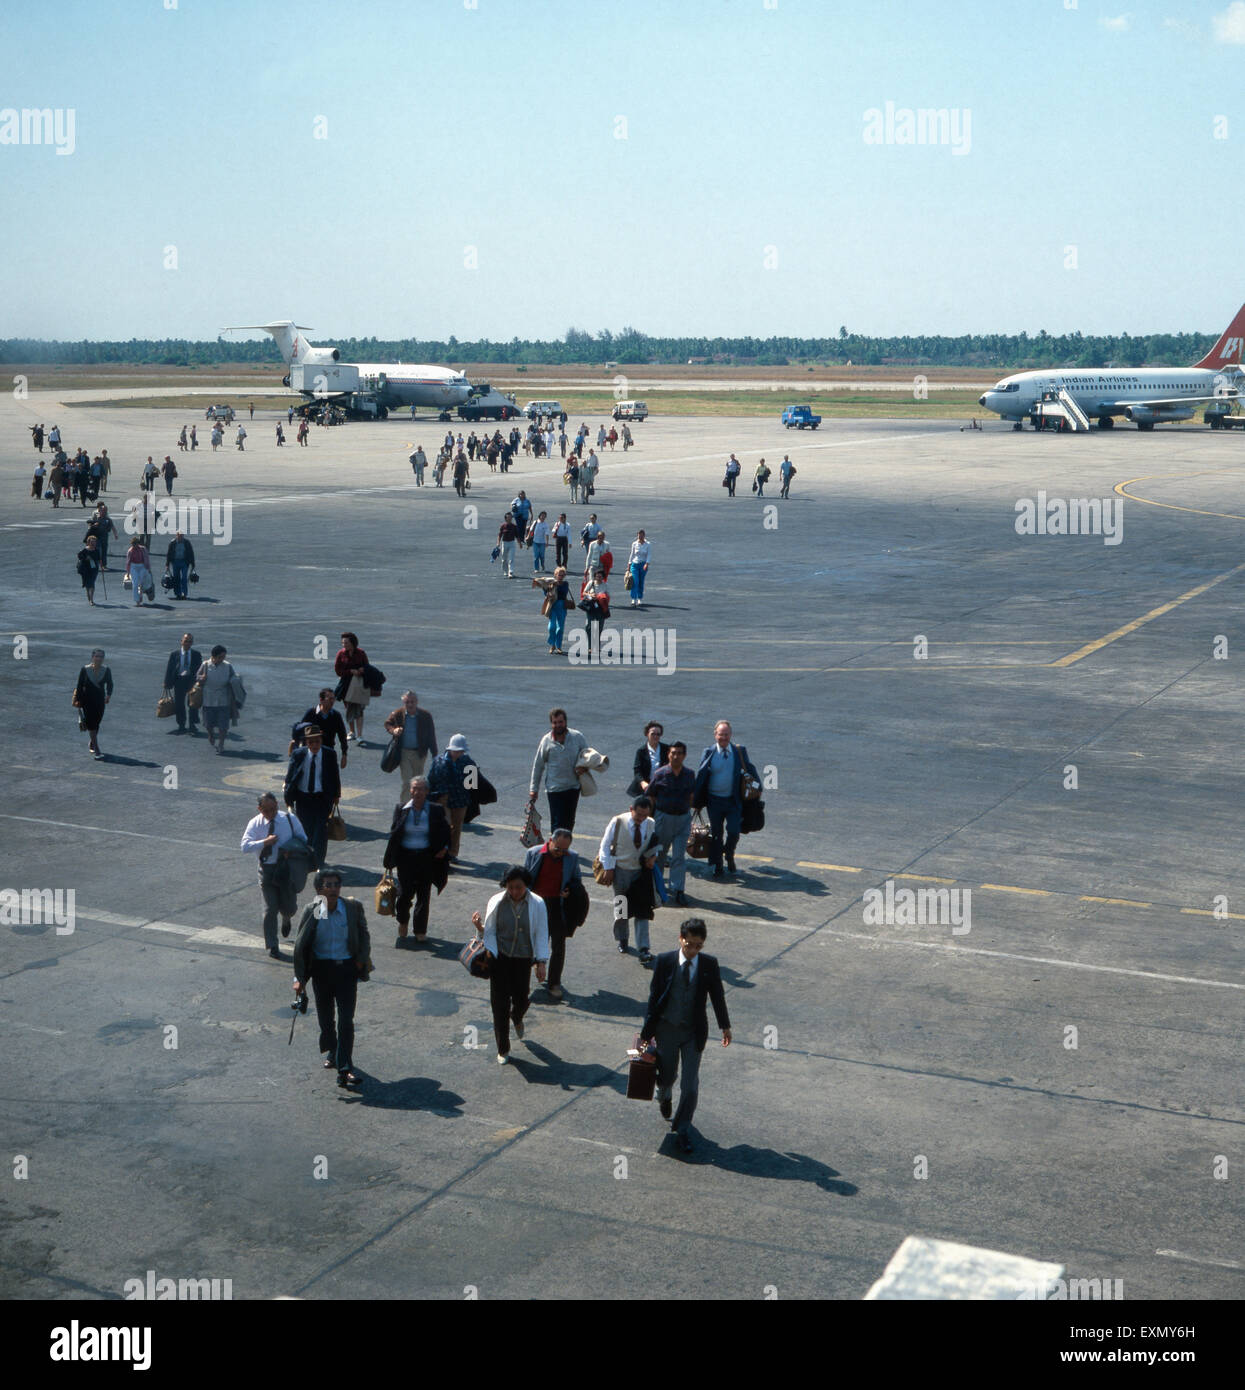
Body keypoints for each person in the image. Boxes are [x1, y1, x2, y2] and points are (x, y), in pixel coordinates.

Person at [640, 918, 732, 1153]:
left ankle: (682, 1129)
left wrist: (725, 1026)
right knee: (667, 1075)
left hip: (693, 1032)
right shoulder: (664, 961)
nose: (692, 950)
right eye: (688, 944)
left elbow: (717, 996)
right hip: (667, 1030)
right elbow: (654, 999)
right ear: (680, 938)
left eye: (698, 946)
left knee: (690, 1086)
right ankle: (665, 1093)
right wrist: (645, 1035)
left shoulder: (709, 965)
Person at [292, 868, 371, 1088]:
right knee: (327, 1021)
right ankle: (334, 1051)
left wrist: (360, 960)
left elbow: (364, 934)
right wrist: (299, 979)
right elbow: (301, 946)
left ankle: (345, 1068)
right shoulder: (315, 910)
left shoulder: (351, 908)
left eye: (336, 884)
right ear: (319, 889)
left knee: (346, 1021)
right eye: (328, 885)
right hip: (322, 971)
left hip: (346, 971)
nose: (334, 889)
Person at [471, 867, 550, 1064]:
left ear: (526, 886)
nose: (514, 892)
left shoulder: (538, 904)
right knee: (499, 1005)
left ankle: (517, 1016)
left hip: (523, 960)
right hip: (500, 959)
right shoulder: (496, 901)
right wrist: (480, 928)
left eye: (519, 887)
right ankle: (503, 1048)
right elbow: (489, 932)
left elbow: (541, 933)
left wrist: (541, 962)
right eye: (511, 887)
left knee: (522, 999)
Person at [383, 776, 451, 945]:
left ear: (427, 791)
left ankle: (420, 930)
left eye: (421, 789)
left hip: (427, 857)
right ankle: (403, 920)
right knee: (405, 893)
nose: (417, 792)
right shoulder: (401, 808)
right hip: (405, 857)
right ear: (410, 790)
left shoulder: (436, 809)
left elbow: (446, 832)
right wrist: (390, 858)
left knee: (423, 894)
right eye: (414, 788)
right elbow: (394, 833)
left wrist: (445, 848)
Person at [241, 793, 310, 957]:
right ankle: (272, 945)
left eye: (273, 809)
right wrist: (264, 842)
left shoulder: (289, 819)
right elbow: (244, 846)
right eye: (266, 810)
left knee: (289, 907)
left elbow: (303, 840)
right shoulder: (255, 823)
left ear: (277, 805)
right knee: (270, 909)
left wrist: (291, 851)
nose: (271, 813)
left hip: (286, 870)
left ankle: (287, 917)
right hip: (266, 870)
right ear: (260, 809)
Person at [524, 829, 588, 1000]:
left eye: (564, 850)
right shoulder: (534, 853)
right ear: (550, 841)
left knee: (559, 945)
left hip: (557, 906)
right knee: (533, 941)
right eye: (557, 849)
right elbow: (524, 879)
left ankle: (554, 982)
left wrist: (569, 891)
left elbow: (577, 880)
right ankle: (530, 974)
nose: (560, 853)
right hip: (537, 904)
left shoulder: (572, 857)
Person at [692, 720, 759, 879]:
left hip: (733, 801)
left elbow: (751, 770)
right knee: (716, 834)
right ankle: (718, 864)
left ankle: (729, 853)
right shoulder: (708, 752)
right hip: (714, 801)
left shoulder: (739, 751)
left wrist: (758, 789)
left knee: (734, 831)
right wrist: (697, 801)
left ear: (731, 735)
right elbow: (701, 777)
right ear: (715, 735)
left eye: (726, 734)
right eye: (721, 734)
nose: (723, 738)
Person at [597, 797, 658, 963]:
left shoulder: (651, 823)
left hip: (640, 872)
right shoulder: (617, 822)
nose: (641, 819)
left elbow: (654, 844)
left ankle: (644, 948)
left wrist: (653, 857)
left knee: (642, 909)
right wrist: (609, 868)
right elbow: (605, 846)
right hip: (621, 871)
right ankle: (622, 939)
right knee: (621, 906)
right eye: (638, 815)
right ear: (631, 809)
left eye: (645, 816)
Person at [283, 726, 341, 868]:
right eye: (311, 742)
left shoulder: (329, 754)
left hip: (322, 798)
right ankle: (307, 859)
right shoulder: (298, 755)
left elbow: (335, 775)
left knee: (320, 831)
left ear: (321, 740)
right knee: (306, 831)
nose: (314, 745)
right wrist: (288, 798)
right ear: (306, 743)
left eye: (317, 741)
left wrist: (336, 795)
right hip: (303, 798)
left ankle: (318, 862)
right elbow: (290, 776)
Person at [649, 741, 696, 907]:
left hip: (682, 819)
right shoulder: (660, 774)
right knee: (660, 856)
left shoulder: (690, 774)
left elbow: (691, 796)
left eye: (679, 753)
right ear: (668, 754)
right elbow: (651, 796)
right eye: (673, 753)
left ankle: (678, 890)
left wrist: (686, 815)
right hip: (664, 819)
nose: (676, 756)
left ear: (684, 755)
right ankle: (658, 888)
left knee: (678, 857)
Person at [529, 707, 589, 833]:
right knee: (557, 822)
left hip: (573, 787)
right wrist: (533, 789)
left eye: (560, 722)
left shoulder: (577, 737)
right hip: (554, 789)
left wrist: (584, 767)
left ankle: (564, 848)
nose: (558, 725)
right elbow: (538, 765)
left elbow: (587, 756)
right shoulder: (546, 741)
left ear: (565, 722)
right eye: (555, 722)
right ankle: (555, 849)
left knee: (569, 821)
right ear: (551, 723)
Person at [427, 733, 476, 861]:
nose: (458, 753)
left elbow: (472, 784)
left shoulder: (468, 762)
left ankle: (453, 853)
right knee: (446, 826)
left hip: (461, 799)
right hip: (443, 798)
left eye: (460, 751)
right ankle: (443, 850)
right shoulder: (438, 761)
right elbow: (431, 780)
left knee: (457, 827)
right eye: (456, 751)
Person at [196, 644, 245, 755]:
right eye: (220, 656)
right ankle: (211, 734)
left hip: (223, 699)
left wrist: (235, 680)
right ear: (214, 656)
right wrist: (201, 678)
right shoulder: (205, 665)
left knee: (223, 725)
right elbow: (197, 677)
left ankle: (221, 743)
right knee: (208, 724)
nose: (222, 659)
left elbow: (233, 676)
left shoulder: (227, 666)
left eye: (224, 656)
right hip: (209, 699)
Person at [383, 690, 438, 785]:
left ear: (417, 702)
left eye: (412, 702)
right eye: (407, 702)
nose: (410, 704)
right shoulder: (398, 714)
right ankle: (405, 800)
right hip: (404, 752)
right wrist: (394, 731)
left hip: (420, 753)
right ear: (403, 703)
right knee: (407, 781)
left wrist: (434, 754)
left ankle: (415, 799)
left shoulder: (426, 716)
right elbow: (387, 724)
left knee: (417, 782)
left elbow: (431, 736)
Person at [293, 688, 349, 767]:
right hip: (310, 752)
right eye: (329, 699)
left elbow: (342, 736)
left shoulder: (336, 716)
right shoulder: (311, 713)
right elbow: (300, 731)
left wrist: (344, 754)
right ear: (321, 700)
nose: (332, 701)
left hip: (328, 752)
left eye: (333, 699)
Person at [73, 649, 112, 758]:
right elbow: (80, 685)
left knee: (97, 722)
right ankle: (97, 749)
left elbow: (110, 684)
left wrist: (108, 695)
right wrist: (78, 699)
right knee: (91, 724)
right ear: (92, 657)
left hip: (100, 700)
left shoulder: (106, 670)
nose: (98, 658)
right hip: (87, 700)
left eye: (101, 657)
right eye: (96, 656)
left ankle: (92, 741)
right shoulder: (85, 669)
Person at [334, 632, 370, 743]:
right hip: (346, 684)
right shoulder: (340, 654)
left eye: (346, 642)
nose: (344, 645)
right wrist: (350, 671)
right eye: (343, 643)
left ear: (352, 643)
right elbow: (338, 670)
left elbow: (367, 666)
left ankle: (359, 735)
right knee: (349, 708)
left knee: (359, 709)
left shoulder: (361, 653)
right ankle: (351, 731)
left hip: (358, 683)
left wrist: (361, 670)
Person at [163, 632, 202, 733]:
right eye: (185, 641)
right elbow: (170, 668)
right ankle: (181, 725)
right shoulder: (174, 654)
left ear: (192, 643)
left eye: (190, 641)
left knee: (193, 704)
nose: (187, 643)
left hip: (191, 681)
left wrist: (199, 682)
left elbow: (199, 669)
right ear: (181, 642)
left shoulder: (196, 654)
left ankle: (192, 724)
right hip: (179, 681)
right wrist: (167, 683)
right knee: (179, 704)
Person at [628, 720, 670, 797]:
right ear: (647, 734)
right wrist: (642, 782)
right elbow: (637, 771)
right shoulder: (641, 751)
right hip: (645, 788)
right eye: (653, 734)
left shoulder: (667, 749)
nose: (655, 736)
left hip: (661, 787)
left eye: (658, 734)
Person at [538, 565, 572, 654]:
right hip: (553, 605)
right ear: (555, 575)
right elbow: (545, 592)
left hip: (562, 606)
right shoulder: (551, 583)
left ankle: (558, 646)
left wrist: (556, 585)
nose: (560, 577)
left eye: (562, 575)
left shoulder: (565, 584)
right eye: (559, 575)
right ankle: (552, 644)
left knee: (560, 628)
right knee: (551, 627)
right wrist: (545, 588)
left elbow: (563, 592)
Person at [580, 567, 610, 661]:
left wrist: (602, 597)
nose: (598, 579)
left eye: (600, 577)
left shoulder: (605, 586)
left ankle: (596, 646)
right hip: (592, 607)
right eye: (597, 577)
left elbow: (608, 597)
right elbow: (584, 593)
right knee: (589, 627)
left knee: (599, 627)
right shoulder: (591, 583)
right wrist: (590, 595)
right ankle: (590, 646)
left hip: (600, 608)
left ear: (603, 577)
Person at [164, 530, 195, 600]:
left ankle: (184, 593)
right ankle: (178, 593)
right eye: (179, 536)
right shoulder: (172, 543)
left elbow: (191, 553)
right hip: (175, 562)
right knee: (176, 579)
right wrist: (167, 564)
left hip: (184, 562)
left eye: (182, 536)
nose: (180, 537)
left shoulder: (187, 543)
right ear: (176, 536)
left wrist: (193, 564)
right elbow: (168, 554)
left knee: (184, 578)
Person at [85, 503, 117, 569]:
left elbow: (112, 527)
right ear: (100, 511)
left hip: (105, 537)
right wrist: (93, 526)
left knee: (104, 551)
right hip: (97, 537)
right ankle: (96, 564)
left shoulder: (108, 519)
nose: (105, 512)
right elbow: (89, 524)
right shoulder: (96, 518)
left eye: (106, 510)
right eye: (103, 510)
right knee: (98, 551)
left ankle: (104, 565)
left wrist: (115, 534)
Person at [124, 536, 152, 607]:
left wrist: (148, 569)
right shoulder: (130, 551)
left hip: (142, 566)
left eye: (135, 544)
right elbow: (128, 562)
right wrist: (128, 573)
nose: (134, 545)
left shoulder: (143, 549)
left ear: (138, 543)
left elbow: (147, 559)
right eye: (133, 544)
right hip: (134, 566)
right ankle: (137, 601)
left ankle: (140, 594)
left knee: (142, 583)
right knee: (135, 583)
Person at [627, 529, 651, 607]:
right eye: (639, 535)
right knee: (635, 581)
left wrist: (647, 563)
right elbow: (632, 554)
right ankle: (633, 598)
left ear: (644, 535)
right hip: (635, 564)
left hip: (643, 565)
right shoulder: (634, 544)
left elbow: (649, 555)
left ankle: (640, 598)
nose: (640, 537)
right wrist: (629, 564)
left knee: (641, 581)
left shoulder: (648, 544)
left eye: (642, 535)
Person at [75, 536, 101, 605]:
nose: (93, 543)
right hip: (85, 569)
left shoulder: (96, 550)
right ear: (88, 542)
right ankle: (89, 599)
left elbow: (99, 559)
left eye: (94, 542)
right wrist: (86, 558)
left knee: (92, 584)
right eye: (92, 542)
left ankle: (91, 600)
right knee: (87, 585)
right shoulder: (84, 550)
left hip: (94, 569)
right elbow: (79, 556)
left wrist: (101, 565)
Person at [497, 512, 519, 577]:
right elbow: (500, 535)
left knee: (511, 558)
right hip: (505, 543)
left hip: (512, 543)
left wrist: (519, 543)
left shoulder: (514, 526)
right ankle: (505, 571)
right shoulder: (503, 526)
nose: (509, 519)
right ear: (505, 518)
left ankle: (511, 572)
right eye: (508, 517)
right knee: (504, 558)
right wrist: (498, 542)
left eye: (510, 517)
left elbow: (517, 535)